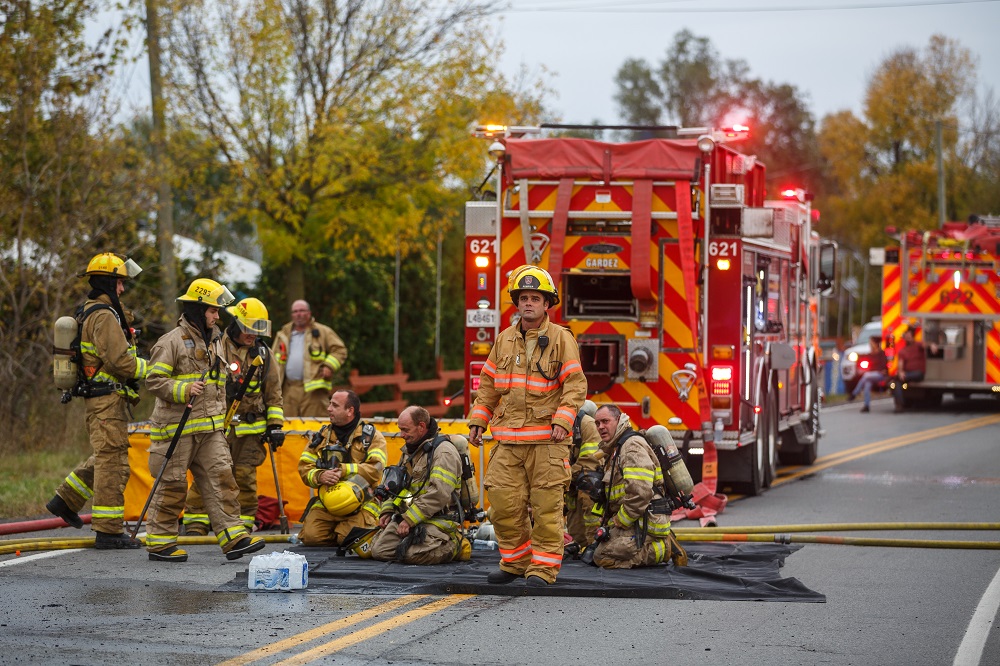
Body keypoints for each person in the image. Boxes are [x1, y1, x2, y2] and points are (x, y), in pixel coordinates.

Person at [469, 265, 587, 587]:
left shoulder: (561, 339)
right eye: (523, 298)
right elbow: (489, 386)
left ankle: (543, 569)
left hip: (547, 442)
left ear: (547, 304)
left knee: (547, 509)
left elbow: (575, 386)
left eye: (535, 298)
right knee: (503, 506)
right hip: (508, 441)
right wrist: (479, 420)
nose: (528, 303)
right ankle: (515, 562)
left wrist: (564, 420)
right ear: (516, 303)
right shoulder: (504, 339)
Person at [143, 278, 265, 563]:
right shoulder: (170, 342)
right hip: (177, 429)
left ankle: (233, 537)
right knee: (172, 486)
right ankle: (160, 544)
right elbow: (154, 380)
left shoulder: (216, 342)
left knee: (222, 478)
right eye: (212, 311)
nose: (217, 316)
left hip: (210, 428)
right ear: (198, 309)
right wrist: (183, 389)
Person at [47, 253, 148, 549]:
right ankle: (108, 531)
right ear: (107, 281)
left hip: (105, 400)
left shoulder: (94, 310)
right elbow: (119, 361)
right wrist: (154, 369)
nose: (123, 289)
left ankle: (64, 500)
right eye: (119, 283)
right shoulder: (103, 315)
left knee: (106, 455)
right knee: (113, 463)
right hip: (105, 400)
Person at [182, 297, 284, 535]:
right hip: (219, 426)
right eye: (249, 329)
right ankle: (196, 523)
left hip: (251, 431)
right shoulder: (216, 345)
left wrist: (275, 425)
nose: (253, 335)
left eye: (257, 330)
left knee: (245, 477)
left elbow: (274, 394)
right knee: (208, 471)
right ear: (236, 323)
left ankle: (242, 527)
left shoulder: (264, 354)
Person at [369, 406, 472, 564]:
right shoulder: (410, 451)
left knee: (411, 555)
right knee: (378, 551)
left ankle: (455, 544)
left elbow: (439, 494)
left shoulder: (443, 452)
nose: (402, 435)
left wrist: (409, 519)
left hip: (438, 520)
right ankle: (417, 543)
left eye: (405, 430)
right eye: (400, 429)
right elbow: (397, 487)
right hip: (411, 518)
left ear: (422, 426)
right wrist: (388, 510)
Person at [587, 404, 685, 569]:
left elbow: (640, 493)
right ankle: (658, 543)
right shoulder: (616, 447)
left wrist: (620, 521)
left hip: (644, 520)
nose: (601, 427)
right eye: (597, 423)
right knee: (596, 549)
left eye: (605, 421)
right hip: (636, 518)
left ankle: (664, 547)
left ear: (618, 420)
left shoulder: (631, 447)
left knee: (602, 556)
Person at [297, 389, 388, 546]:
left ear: (349, 411)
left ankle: (351, 531)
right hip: (328, 503)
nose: (328, 409)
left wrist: (344, 470)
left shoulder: (372, 437)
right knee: (311, 538)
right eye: (330, 404)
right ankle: (338, 530)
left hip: (361, 503)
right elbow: (304, 467)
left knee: (347, 539)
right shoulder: (321, 437)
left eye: (335, 405)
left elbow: (376, 470)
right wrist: (320, 476)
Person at [272, 300, 347, 417]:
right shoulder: (283, 334)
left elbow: (340, 350)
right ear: (292, 315)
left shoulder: (323, 331)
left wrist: (329, 366)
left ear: (309, 313)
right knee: (288, 427)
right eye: (295, 311)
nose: (298, 314)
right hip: (288, 389)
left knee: (315, 426)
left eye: (302, 311)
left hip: (313, 391)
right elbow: (272, 358)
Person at [565, 400, 603, 550]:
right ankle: (578, 542)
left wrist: (565, 474)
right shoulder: (562, 424)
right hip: (573, 477)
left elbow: (590, 461)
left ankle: (593, 544)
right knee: (572, 504)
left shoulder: (588, 425)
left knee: (588, 489)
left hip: (588, 476)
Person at [848, 336, 888, 413]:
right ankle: (866, 406)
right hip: (871, 375)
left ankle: (854, 393)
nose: (870, 344)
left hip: (880, 375)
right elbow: (867, 364)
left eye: (871, 342)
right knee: (867, 384)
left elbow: (882, 367)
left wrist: (872, 370)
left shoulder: (881, 354)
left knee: (866, 376)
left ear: (876, 344)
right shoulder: (870, 354)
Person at [893, 327, 926, 413]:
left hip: (918, 373)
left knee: (897, 379)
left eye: (909, 336)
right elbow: (900, 363)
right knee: (896, 382)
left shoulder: (918, 345)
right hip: (908, 374)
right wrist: (901, 372)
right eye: (906, 336)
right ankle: (899, 405)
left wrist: (932, 345)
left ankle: (900, 405)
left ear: (913, 337)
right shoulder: (903, 351)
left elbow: (926, 345)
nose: (908, 338)